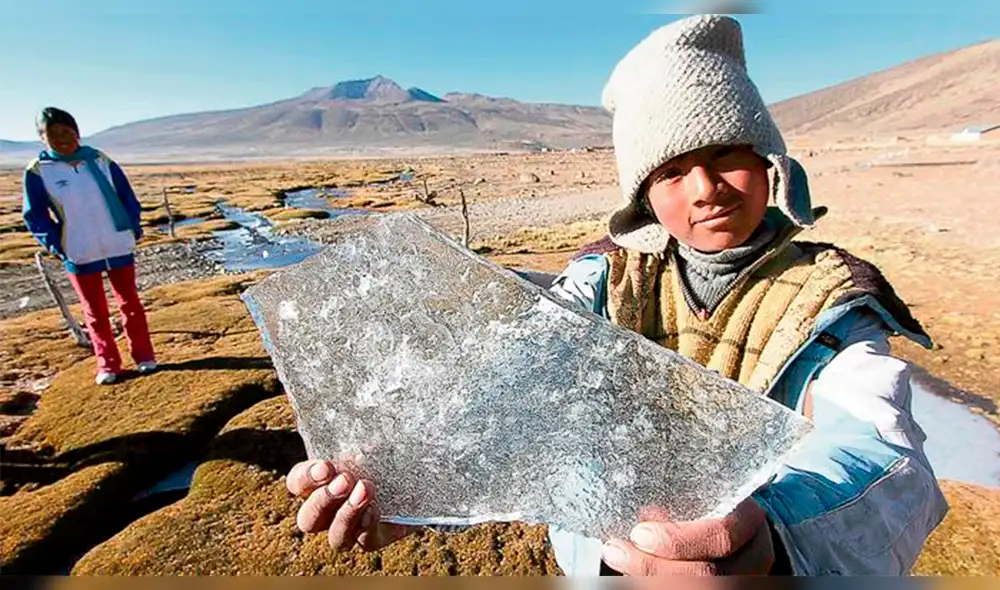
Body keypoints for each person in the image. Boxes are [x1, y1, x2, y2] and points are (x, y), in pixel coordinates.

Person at [282, 15, 948, 576]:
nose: (704, 188)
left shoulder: (831, 302)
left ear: (772, 166)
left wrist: (774, 538)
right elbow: (505, 397)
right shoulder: (600, 286)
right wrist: (407, 488)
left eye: (727, 156)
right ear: (644, 196)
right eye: (672, 170)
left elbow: (880, 451)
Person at [22, 107, 157, 385]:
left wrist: (132, 228)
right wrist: (58, 245)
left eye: (67, 131)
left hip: (117, 243)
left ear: (77, 132)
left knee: (130, 302)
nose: (62, 138)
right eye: (53, 133)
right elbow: (35, 215)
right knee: (94, 311)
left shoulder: (100, 160)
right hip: (79, 250)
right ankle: (108, 363)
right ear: (42, 138)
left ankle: (144, 356)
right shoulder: (38, 172)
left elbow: (127, 198)